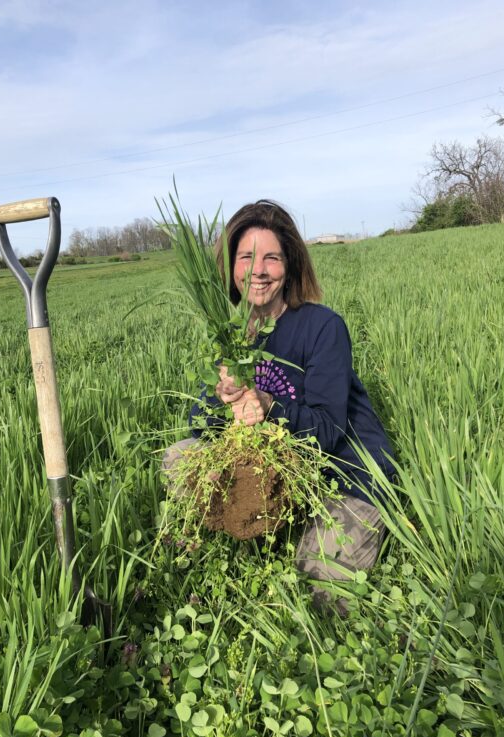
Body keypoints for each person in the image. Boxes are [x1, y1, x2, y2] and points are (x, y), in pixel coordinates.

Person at [163, 200, 396, 606]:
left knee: (320, 584)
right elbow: (199, 427)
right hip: (285, 471)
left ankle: (303, 533)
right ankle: (237, 540)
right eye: (246, 257)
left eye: (271, 257)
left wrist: (269, 405)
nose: (258, 270)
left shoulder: (322, 327)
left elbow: (329, 431)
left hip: (345, 470)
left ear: (288, 265)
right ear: (231, 267)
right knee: (180, 457)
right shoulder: (233, 337)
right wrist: (221, 400)